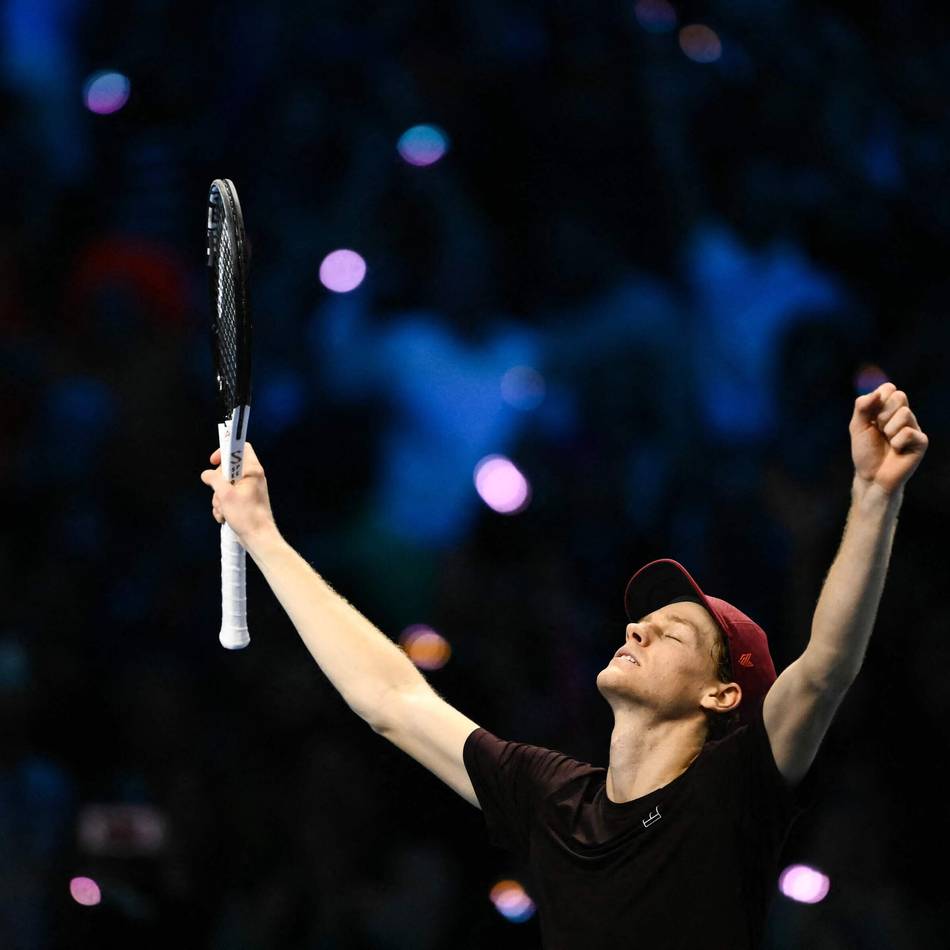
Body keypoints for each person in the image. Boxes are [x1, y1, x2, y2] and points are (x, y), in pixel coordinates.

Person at [199, 380, 928, 949]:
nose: (638, 628)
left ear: (722, 694)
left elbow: (827, 666)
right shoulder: (551, 799)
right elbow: (392, 697)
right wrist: (263, 534)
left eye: (671, 632)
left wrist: (873, 495)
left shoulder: (733, 791)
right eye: (641, 620)